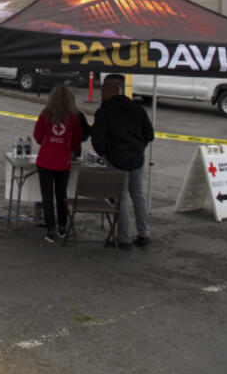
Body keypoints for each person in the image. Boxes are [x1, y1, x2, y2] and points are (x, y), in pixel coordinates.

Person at [91, 76, 155, 249]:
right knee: (138, 195)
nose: (100, 95)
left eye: (102, 92)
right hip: (136, 158)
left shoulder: (104, 112)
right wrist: (139, 147)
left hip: (116, 159)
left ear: (106, 93)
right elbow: (149, 134)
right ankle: (144, 233)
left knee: (121, 199)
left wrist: (104, 153)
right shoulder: (137, 109)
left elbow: (97, 139)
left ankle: (124, 238)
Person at [32, 85, 83, 244]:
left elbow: (38, 136)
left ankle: (50, 228)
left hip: (46, 160)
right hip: (63, 162)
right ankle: (62, 225)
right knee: (61, 195)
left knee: (47, 195)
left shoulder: (46, 114)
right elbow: (76, 141)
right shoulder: (73, 118)